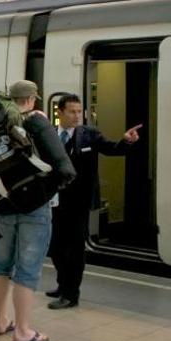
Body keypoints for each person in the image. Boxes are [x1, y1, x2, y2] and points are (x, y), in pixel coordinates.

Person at [0, 80, 75, 341]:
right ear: (32, 99)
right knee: (27, 270)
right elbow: (66, 169)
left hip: (2, 204)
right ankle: (23, 331)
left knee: (0, 265)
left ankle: (2, 321)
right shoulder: (37, 122)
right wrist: (46, 190)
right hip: (35, 208)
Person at [47, 94, 141, 309]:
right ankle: (62, 284)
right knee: (55, 246)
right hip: (54, 200)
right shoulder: (50, 134)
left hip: (79, 202)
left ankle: (71, 295)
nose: (77, 116)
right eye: (72, 111)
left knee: (75, 248)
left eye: (79, 111)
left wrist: (126, 141)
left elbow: (112, 149)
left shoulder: (89, 135)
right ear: (59, 112)